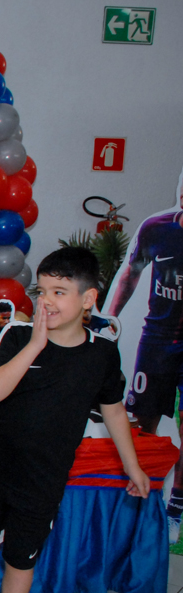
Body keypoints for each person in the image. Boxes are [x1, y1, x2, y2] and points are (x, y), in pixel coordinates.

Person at [0, 247, 150, 593]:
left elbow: (114, 410)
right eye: (42, 291)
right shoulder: (18, 337)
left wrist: (133, 465)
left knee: (22, 554)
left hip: (45, 475)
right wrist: (36, 345)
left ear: (89, 299)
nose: (46, 301)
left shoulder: (101, 354)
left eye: (59, 292)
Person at [106, 181, 183, 528]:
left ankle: (176, 504)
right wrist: (112, 319)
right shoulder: (157, 227)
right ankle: (140, 490)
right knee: (142, 418)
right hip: (157, 339)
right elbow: (131, 273)